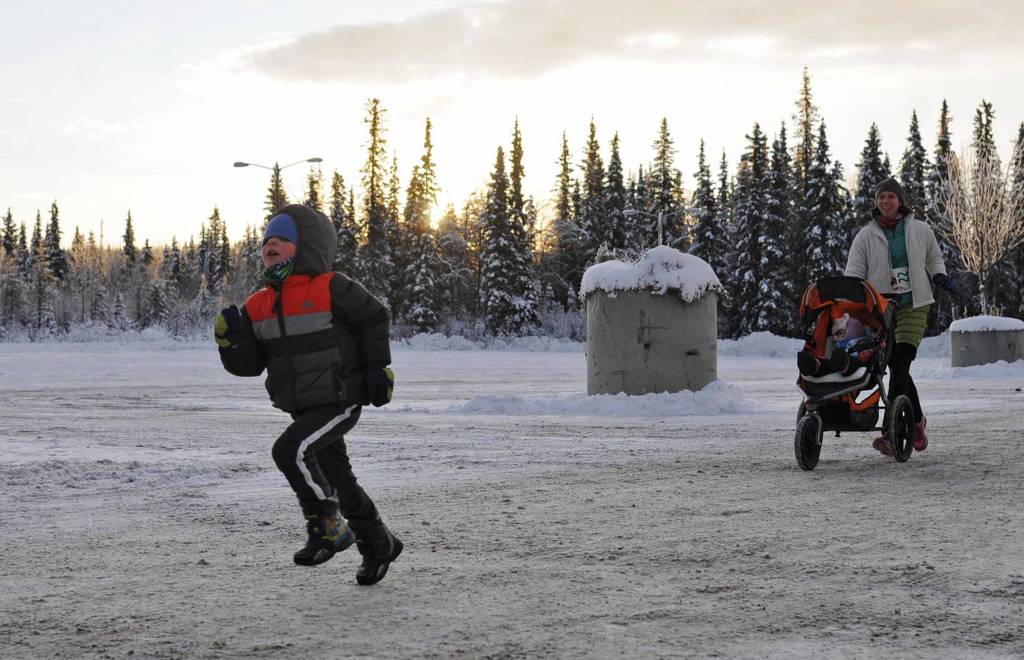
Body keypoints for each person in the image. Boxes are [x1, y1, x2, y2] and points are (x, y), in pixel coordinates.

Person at [214, 204, 402, 585]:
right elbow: (249, 365)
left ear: (305, 247)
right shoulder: (257, 304)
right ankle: (379, 542)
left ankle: (328, 528)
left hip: (339, 399)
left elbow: (373, 317)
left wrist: (376, 369)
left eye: (281, 241)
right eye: (266, 242)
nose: (270, 247)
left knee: (289, 451)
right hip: (303, 408)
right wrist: (229, 342)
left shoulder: (329, 286)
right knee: (341, 481)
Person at [844, 178, 956, 455]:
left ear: (901, 201)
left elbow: (933, 258)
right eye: (881, 198)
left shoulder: (920, 229)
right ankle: (916, 420)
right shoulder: (866, 235)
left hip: (914, 304)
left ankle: (889, 434)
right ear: (876, 202)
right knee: (893, 366)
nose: (886, 202)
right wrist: (851, 298)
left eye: (891, 197)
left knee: (900, 362)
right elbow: (854, 272)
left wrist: (939, 275)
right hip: (881, 309)